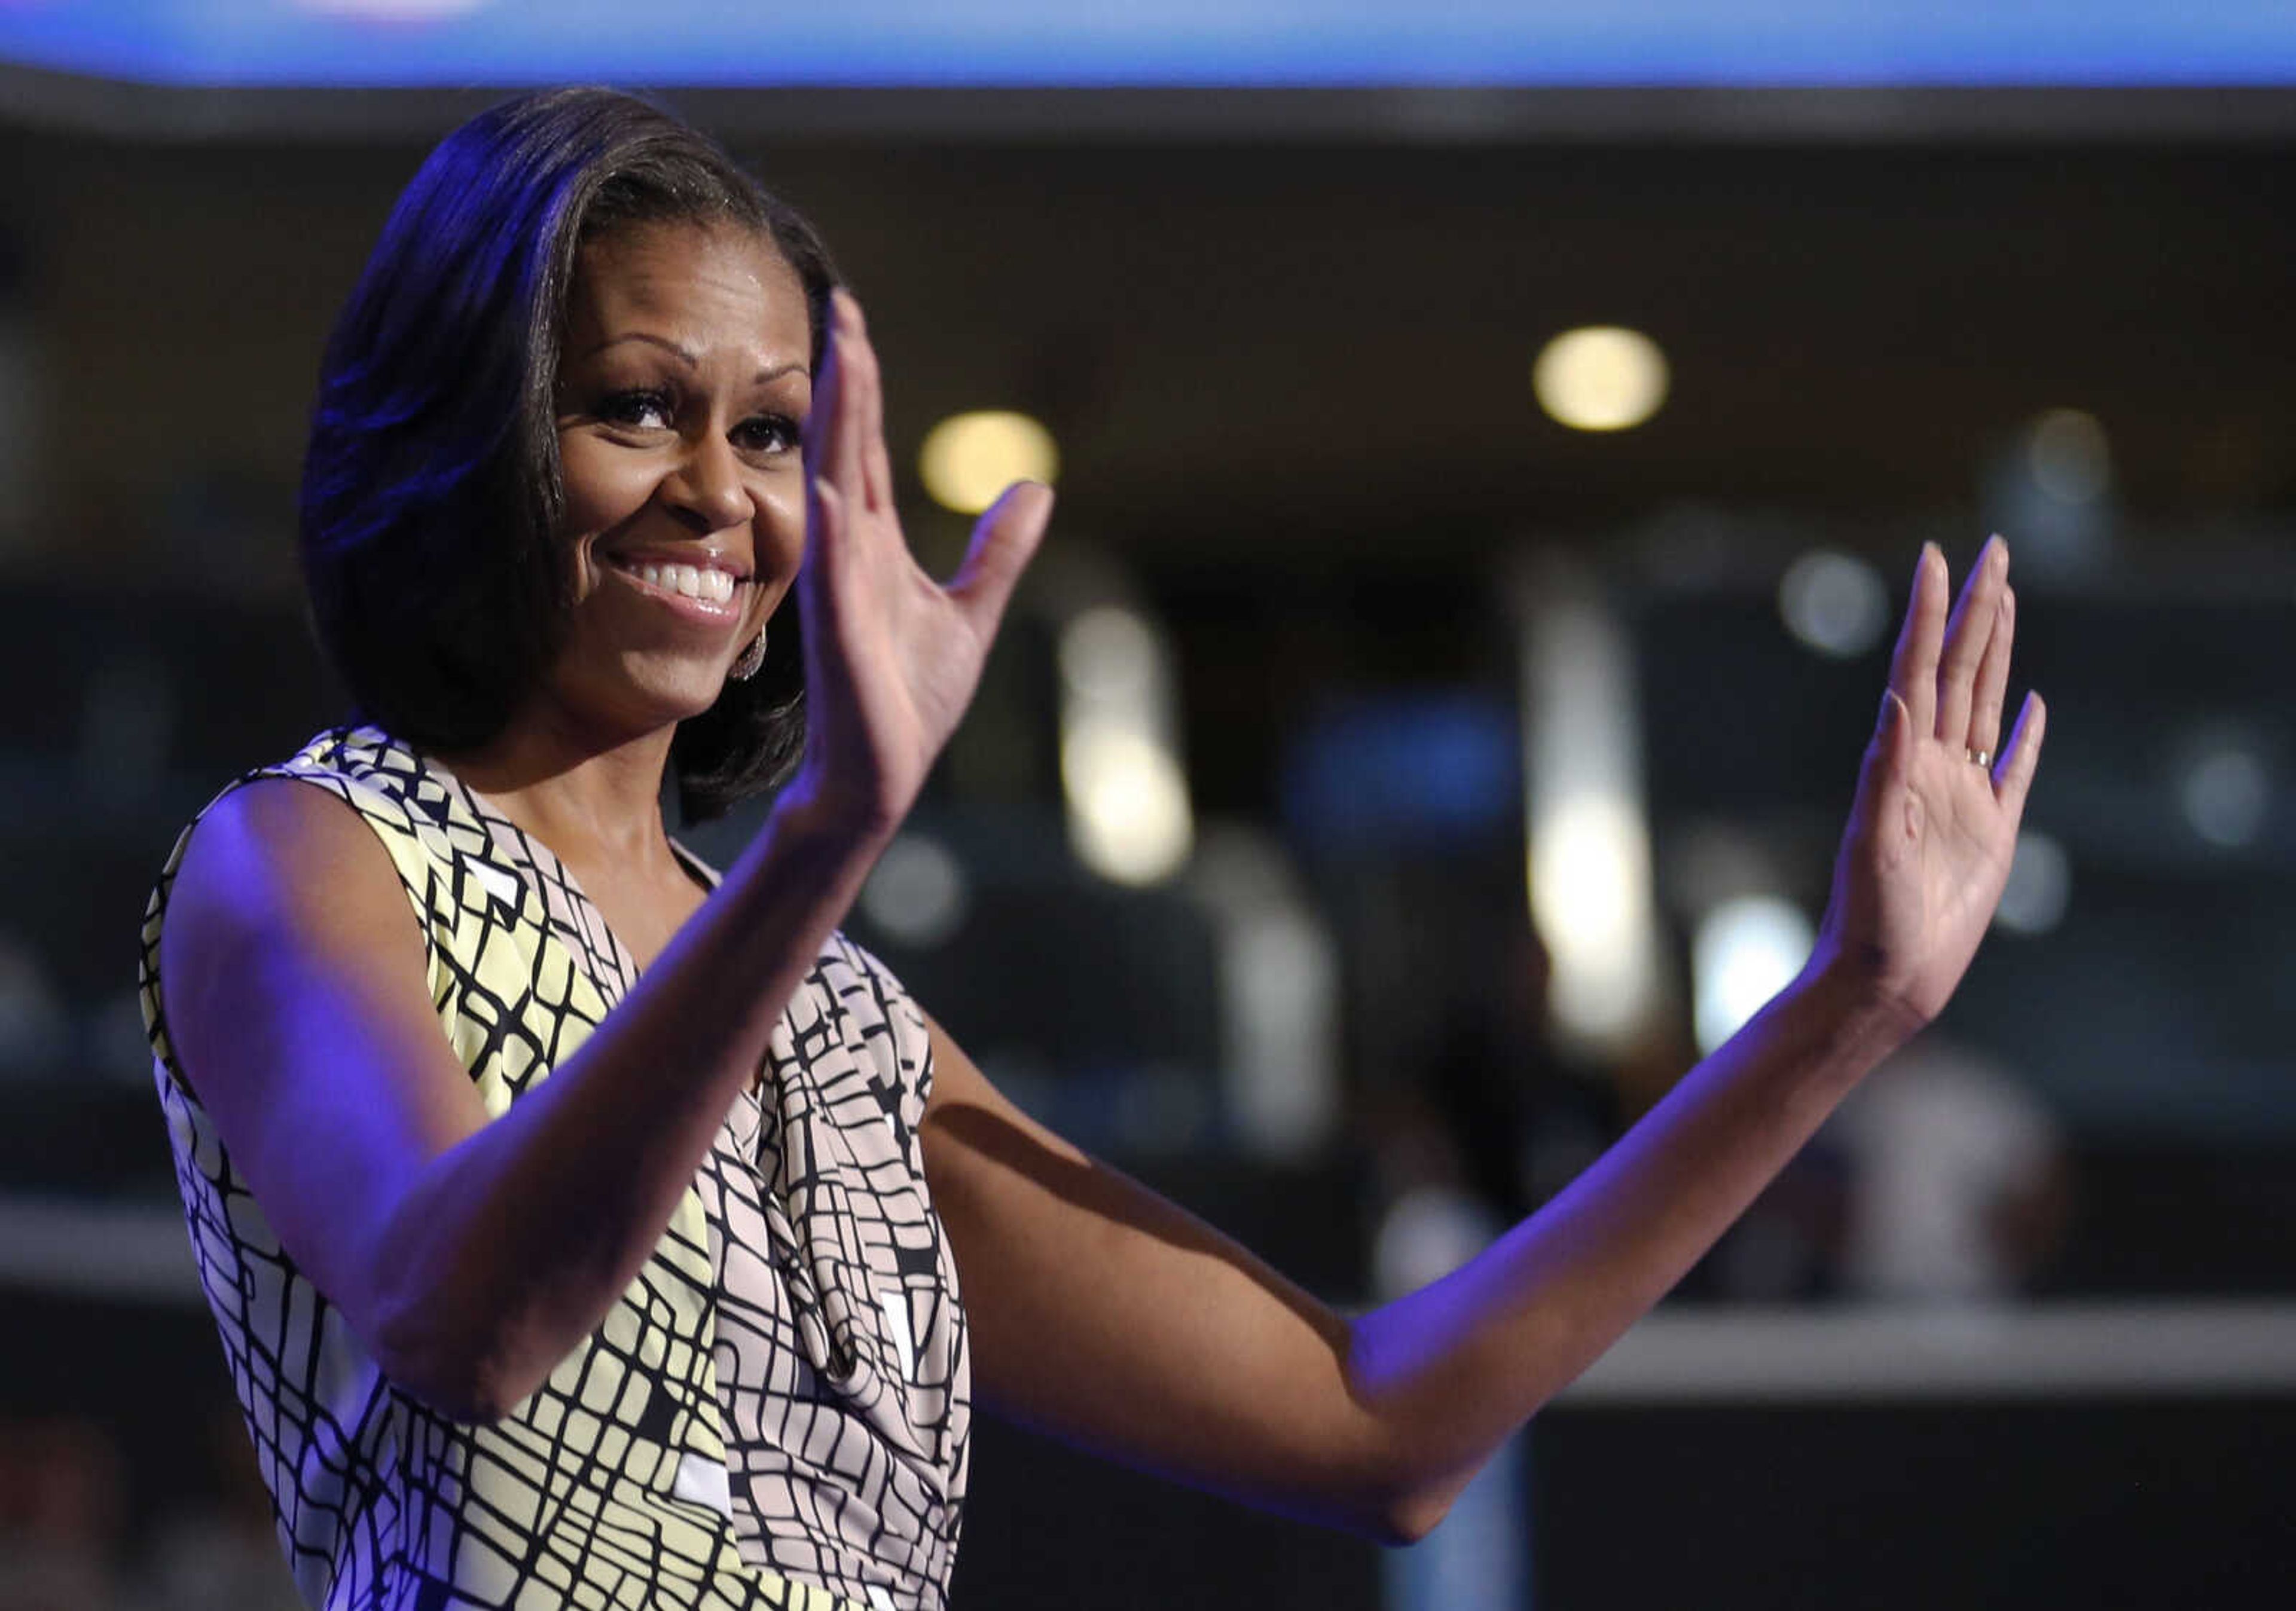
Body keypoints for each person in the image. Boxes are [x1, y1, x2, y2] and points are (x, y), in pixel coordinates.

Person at [139, 87, 2045, 1611]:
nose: (721, 490)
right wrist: (826, 848)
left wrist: (1844, 1011)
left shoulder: (844, 1035)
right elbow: (463, 1322)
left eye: (777, 430)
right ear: (473, 429)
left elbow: (1378, 1425)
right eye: (637, 407)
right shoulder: (307, 860)